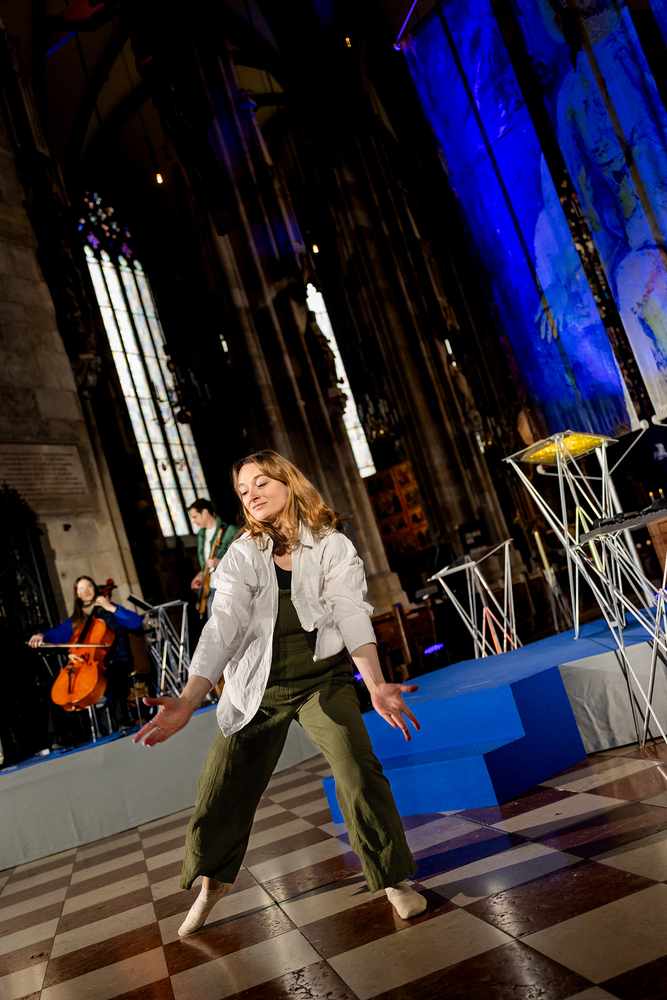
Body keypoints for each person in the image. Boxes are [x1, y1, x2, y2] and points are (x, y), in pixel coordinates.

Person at [135, 450, 427, 935]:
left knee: (357, 769)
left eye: (260, 483)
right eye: (242, 490)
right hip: (259, 687)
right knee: (220, 785)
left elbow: (351, 613)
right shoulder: (242, 554)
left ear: (289, 483)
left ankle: (393, 876)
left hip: (322, 680)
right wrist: (188, 699)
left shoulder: (331, 545)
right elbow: (222, 627)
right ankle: (213, 883)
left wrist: (376, 685)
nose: (250, 495)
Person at [29, 576, 143, 731]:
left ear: (94, 588)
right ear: (77, 594)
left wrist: (111, 608)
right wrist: (41, 635)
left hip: (116, 660)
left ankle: (124, 721)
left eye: (89, 586)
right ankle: (63, 734)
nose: (86, 591)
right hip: (87, 664)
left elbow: (136, 623)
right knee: (56, 686)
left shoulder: (110, 610)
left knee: (112, 676)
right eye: (81, 588)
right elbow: (55, 635)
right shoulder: (77, 619)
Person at [188, 499, 237, 619]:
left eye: (195, 517)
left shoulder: (230, 531)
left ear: (205, 512)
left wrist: (220, 563)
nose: (194, 521)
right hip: (211, 588)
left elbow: (244, 560)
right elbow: (207, 564)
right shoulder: (202, 535)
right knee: (214, 629)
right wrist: (201, 574)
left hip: (230, 588)